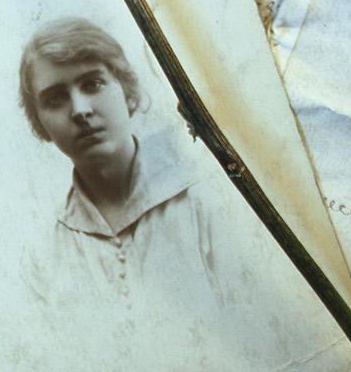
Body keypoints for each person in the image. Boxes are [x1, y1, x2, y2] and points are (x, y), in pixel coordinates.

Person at [18, 17, 270, 309]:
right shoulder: (44, 255)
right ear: (39, 121)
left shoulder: (208, 200)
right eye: (55, 99)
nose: (80, 110)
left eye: (93, 84)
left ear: (126, 91)